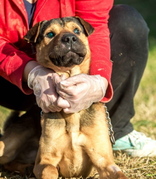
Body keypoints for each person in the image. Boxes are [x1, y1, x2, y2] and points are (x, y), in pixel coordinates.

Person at [0, 0, 156, 158]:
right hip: (7, 81)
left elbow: (95, 22)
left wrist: (99, 80)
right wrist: (31, 71)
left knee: (127, 21)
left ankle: (116, 130)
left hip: (69, 76)